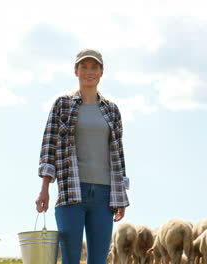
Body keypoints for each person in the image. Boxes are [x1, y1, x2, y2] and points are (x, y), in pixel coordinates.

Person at [35, 49, 130, 264]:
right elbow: (48, 147)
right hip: (70, 191)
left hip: (104, 195)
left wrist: (121, 195)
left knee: (98, 260)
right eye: (84, 67)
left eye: (94, 67)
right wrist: (44, 189)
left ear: (101, 72)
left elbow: (118, 153)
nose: (89, 72)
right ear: (76, 71)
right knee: (70, 259)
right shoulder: (63, 104)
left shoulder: (112, 110)